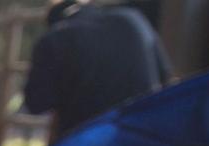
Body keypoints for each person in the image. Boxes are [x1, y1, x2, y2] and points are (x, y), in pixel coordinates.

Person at [23, 0, 172, 138]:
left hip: (87, 144)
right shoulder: (134, 18)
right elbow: (165, 75)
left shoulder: (54, 39)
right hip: (144, 136)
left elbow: (36, 104)